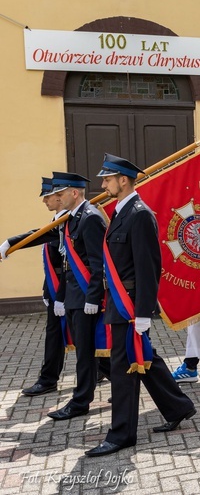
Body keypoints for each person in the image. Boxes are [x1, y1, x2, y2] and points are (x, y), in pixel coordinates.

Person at [85, 154, 195, 457]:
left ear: (123, 180)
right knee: (143, 358)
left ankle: (121, 435)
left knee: (123, 369)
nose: (104, 184)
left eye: (107, 179)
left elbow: (148, 268)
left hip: (130, 307)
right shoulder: (120, 212)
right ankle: (178, 407)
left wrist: (144, 313)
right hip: (119, 303)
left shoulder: (139, 214)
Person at [44, 172, 110, 421]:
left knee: (85, 352)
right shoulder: (72, 218)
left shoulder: (90, 218)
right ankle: (130, 381)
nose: (57, 199)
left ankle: (81, 401)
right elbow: (67, 261)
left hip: (85, 296)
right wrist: (61, 296)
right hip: (73, 294)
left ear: (74, 193)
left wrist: (93, 298)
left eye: (60, 194)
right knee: (89, 351)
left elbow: (97, 262)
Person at [0, 178, 69, 396]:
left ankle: (51, 379)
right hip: (56, 287)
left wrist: (11, 242)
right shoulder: (58, 220)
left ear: (60, 196)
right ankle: (51, 377)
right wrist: (46, 289)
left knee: (74, 334)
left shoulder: (67, 221)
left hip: (67, 288)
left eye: (47, 197)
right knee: (58, 333)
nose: (44, 201)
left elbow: (41, 237)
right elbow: (49, 258)